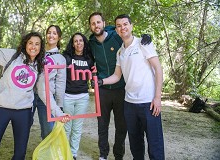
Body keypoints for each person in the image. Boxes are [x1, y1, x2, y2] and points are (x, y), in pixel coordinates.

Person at [0, 12, 45, 159]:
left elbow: (43, 92)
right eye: (31, 43)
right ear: (25, 43)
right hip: (0, 109)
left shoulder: (40, 66)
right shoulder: (12, 56)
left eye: (37, 44)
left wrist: (59, 114)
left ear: (40, 47)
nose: (33, 46)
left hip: (24, 112)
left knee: (20, 154)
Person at [88, 12, 152, 160]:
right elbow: (84, 58)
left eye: (98, 22)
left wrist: (145, 36)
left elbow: (130, 37)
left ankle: (118, 155)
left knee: (121, 126)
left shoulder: (116, 36)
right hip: (102, 89)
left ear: (104, 23)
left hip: (121, 89)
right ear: (90, 26)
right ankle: (103, 154)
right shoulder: (91, 43)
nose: (96, 25)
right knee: (102, 125)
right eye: (93, 23)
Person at [101, 14, 165, 160]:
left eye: (125, 24)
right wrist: (101, 81)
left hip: (149, 102)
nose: (122, 27)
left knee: (155, 145)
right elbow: (117, 76)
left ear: (131, 26)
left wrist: (157, 97)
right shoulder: (120, 52)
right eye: (119, 26)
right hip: (129, 104)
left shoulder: (143, 43)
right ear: (116, 30)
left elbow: (158, 69)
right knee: (136, 145)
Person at [62, 32, 94, 160]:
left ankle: (73, 154)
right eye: (76, 41)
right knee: (66, 127)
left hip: (82, 97)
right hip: (67, 96)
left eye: (81, 40)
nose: (78, 43)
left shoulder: (89, 59)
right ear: (72, 44)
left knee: (77, 127)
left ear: (84, 42)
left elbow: (94, 74)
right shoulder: (66, 57)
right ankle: (65, 154)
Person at [34, 25, 67, 139]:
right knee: (24, 125)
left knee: (48, 130)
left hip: (47, 97)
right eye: (49, 32)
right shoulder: (36, 51)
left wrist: (60, 104)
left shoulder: (60, 58)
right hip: (30, 95)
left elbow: (60, 83)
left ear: (59, 37)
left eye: (54, 33)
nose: (51, 35)